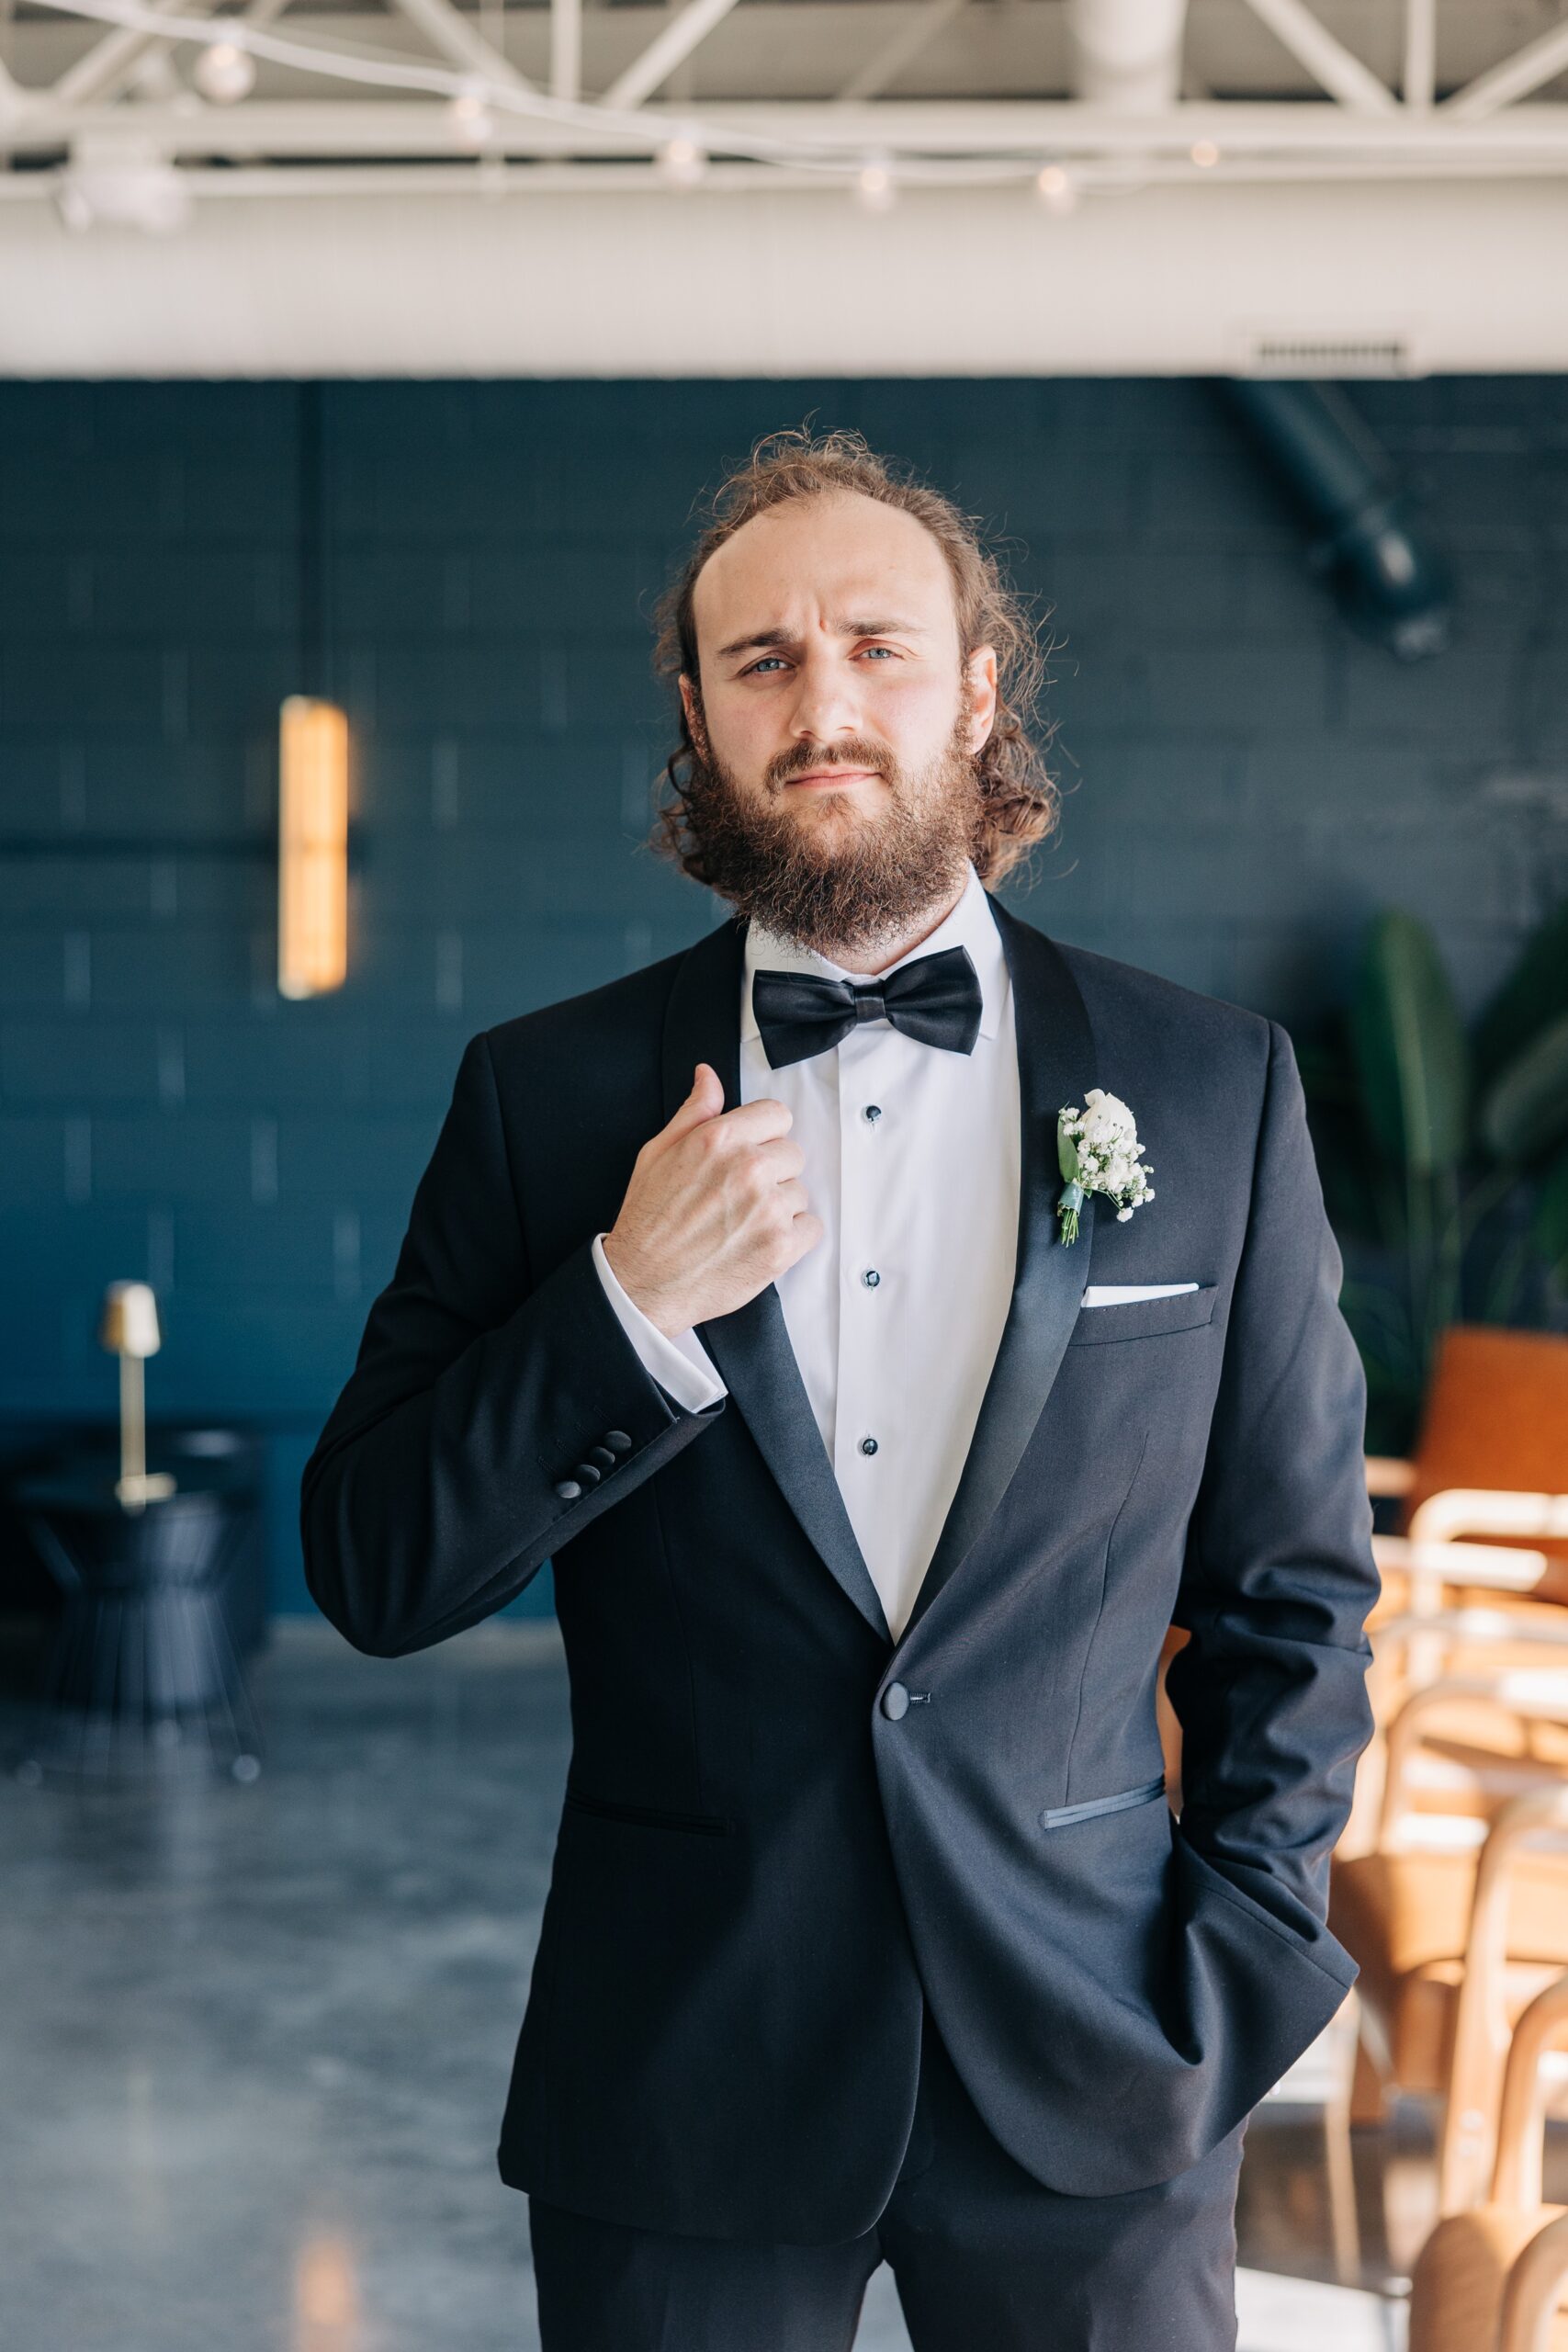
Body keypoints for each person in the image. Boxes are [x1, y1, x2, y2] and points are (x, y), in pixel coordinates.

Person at [300, 427, 1380, 2350]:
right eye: (762, 662)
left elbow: (1291, 1587)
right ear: (698, 721)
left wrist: (1239, 1961)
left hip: (1100, 2059)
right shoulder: (542, 1101)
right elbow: (379, 1567)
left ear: (978, 687)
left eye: (875, 645)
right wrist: (621, 1302)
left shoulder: (1211, 1089)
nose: (824, 706)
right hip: (682, 2070)